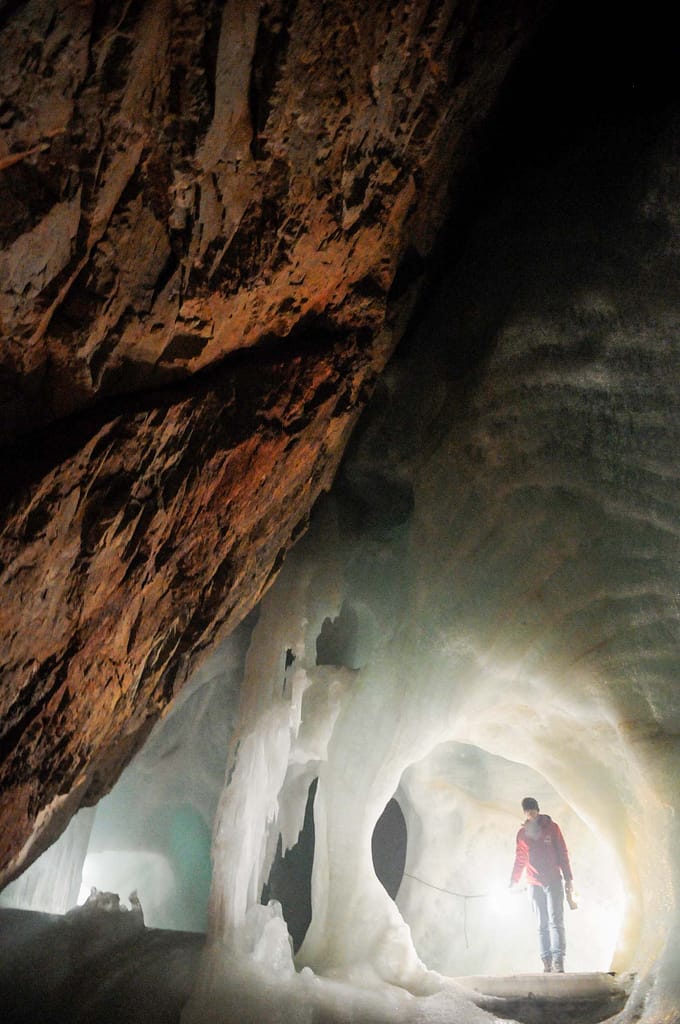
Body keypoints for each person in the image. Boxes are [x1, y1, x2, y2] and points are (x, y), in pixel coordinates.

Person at [509, 796, 574, 973]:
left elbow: (562, 852)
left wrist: (568, 877)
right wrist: (514, 879)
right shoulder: (522, 834)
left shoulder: (552, 828)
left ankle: (558, 961)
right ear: (524, 812)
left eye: (533, 809)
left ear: (538, 809)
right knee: (542, 924)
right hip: (533, 883)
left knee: (556, 921)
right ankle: (546, 961)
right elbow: (520, 858)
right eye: (527, 810)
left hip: (553, 880)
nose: (530, 812)